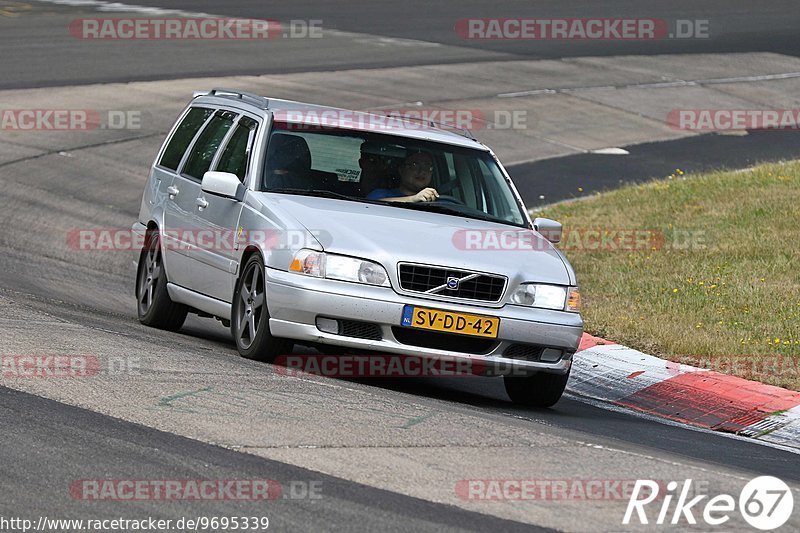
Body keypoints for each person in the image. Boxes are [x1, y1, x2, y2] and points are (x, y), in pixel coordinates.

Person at [367, 151, 439, 202]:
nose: (421, 171)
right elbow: (368, 206)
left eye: (427, 166)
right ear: (401, 170)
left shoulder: (442, 202)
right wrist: (413, 199)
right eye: (414, 165)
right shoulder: (381, 194)